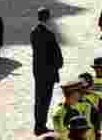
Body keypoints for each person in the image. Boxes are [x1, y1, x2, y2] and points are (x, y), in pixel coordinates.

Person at [32, 7, 64, 135]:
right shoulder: (49, 34)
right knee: (45, 100)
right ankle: (41, 126)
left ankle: (38, 124)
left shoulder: (33, 32)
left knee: (39, 99)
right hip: (48, 72)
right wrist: (58, 65)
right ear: (48, 18)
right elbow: (55, 54)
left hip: (38, 71)